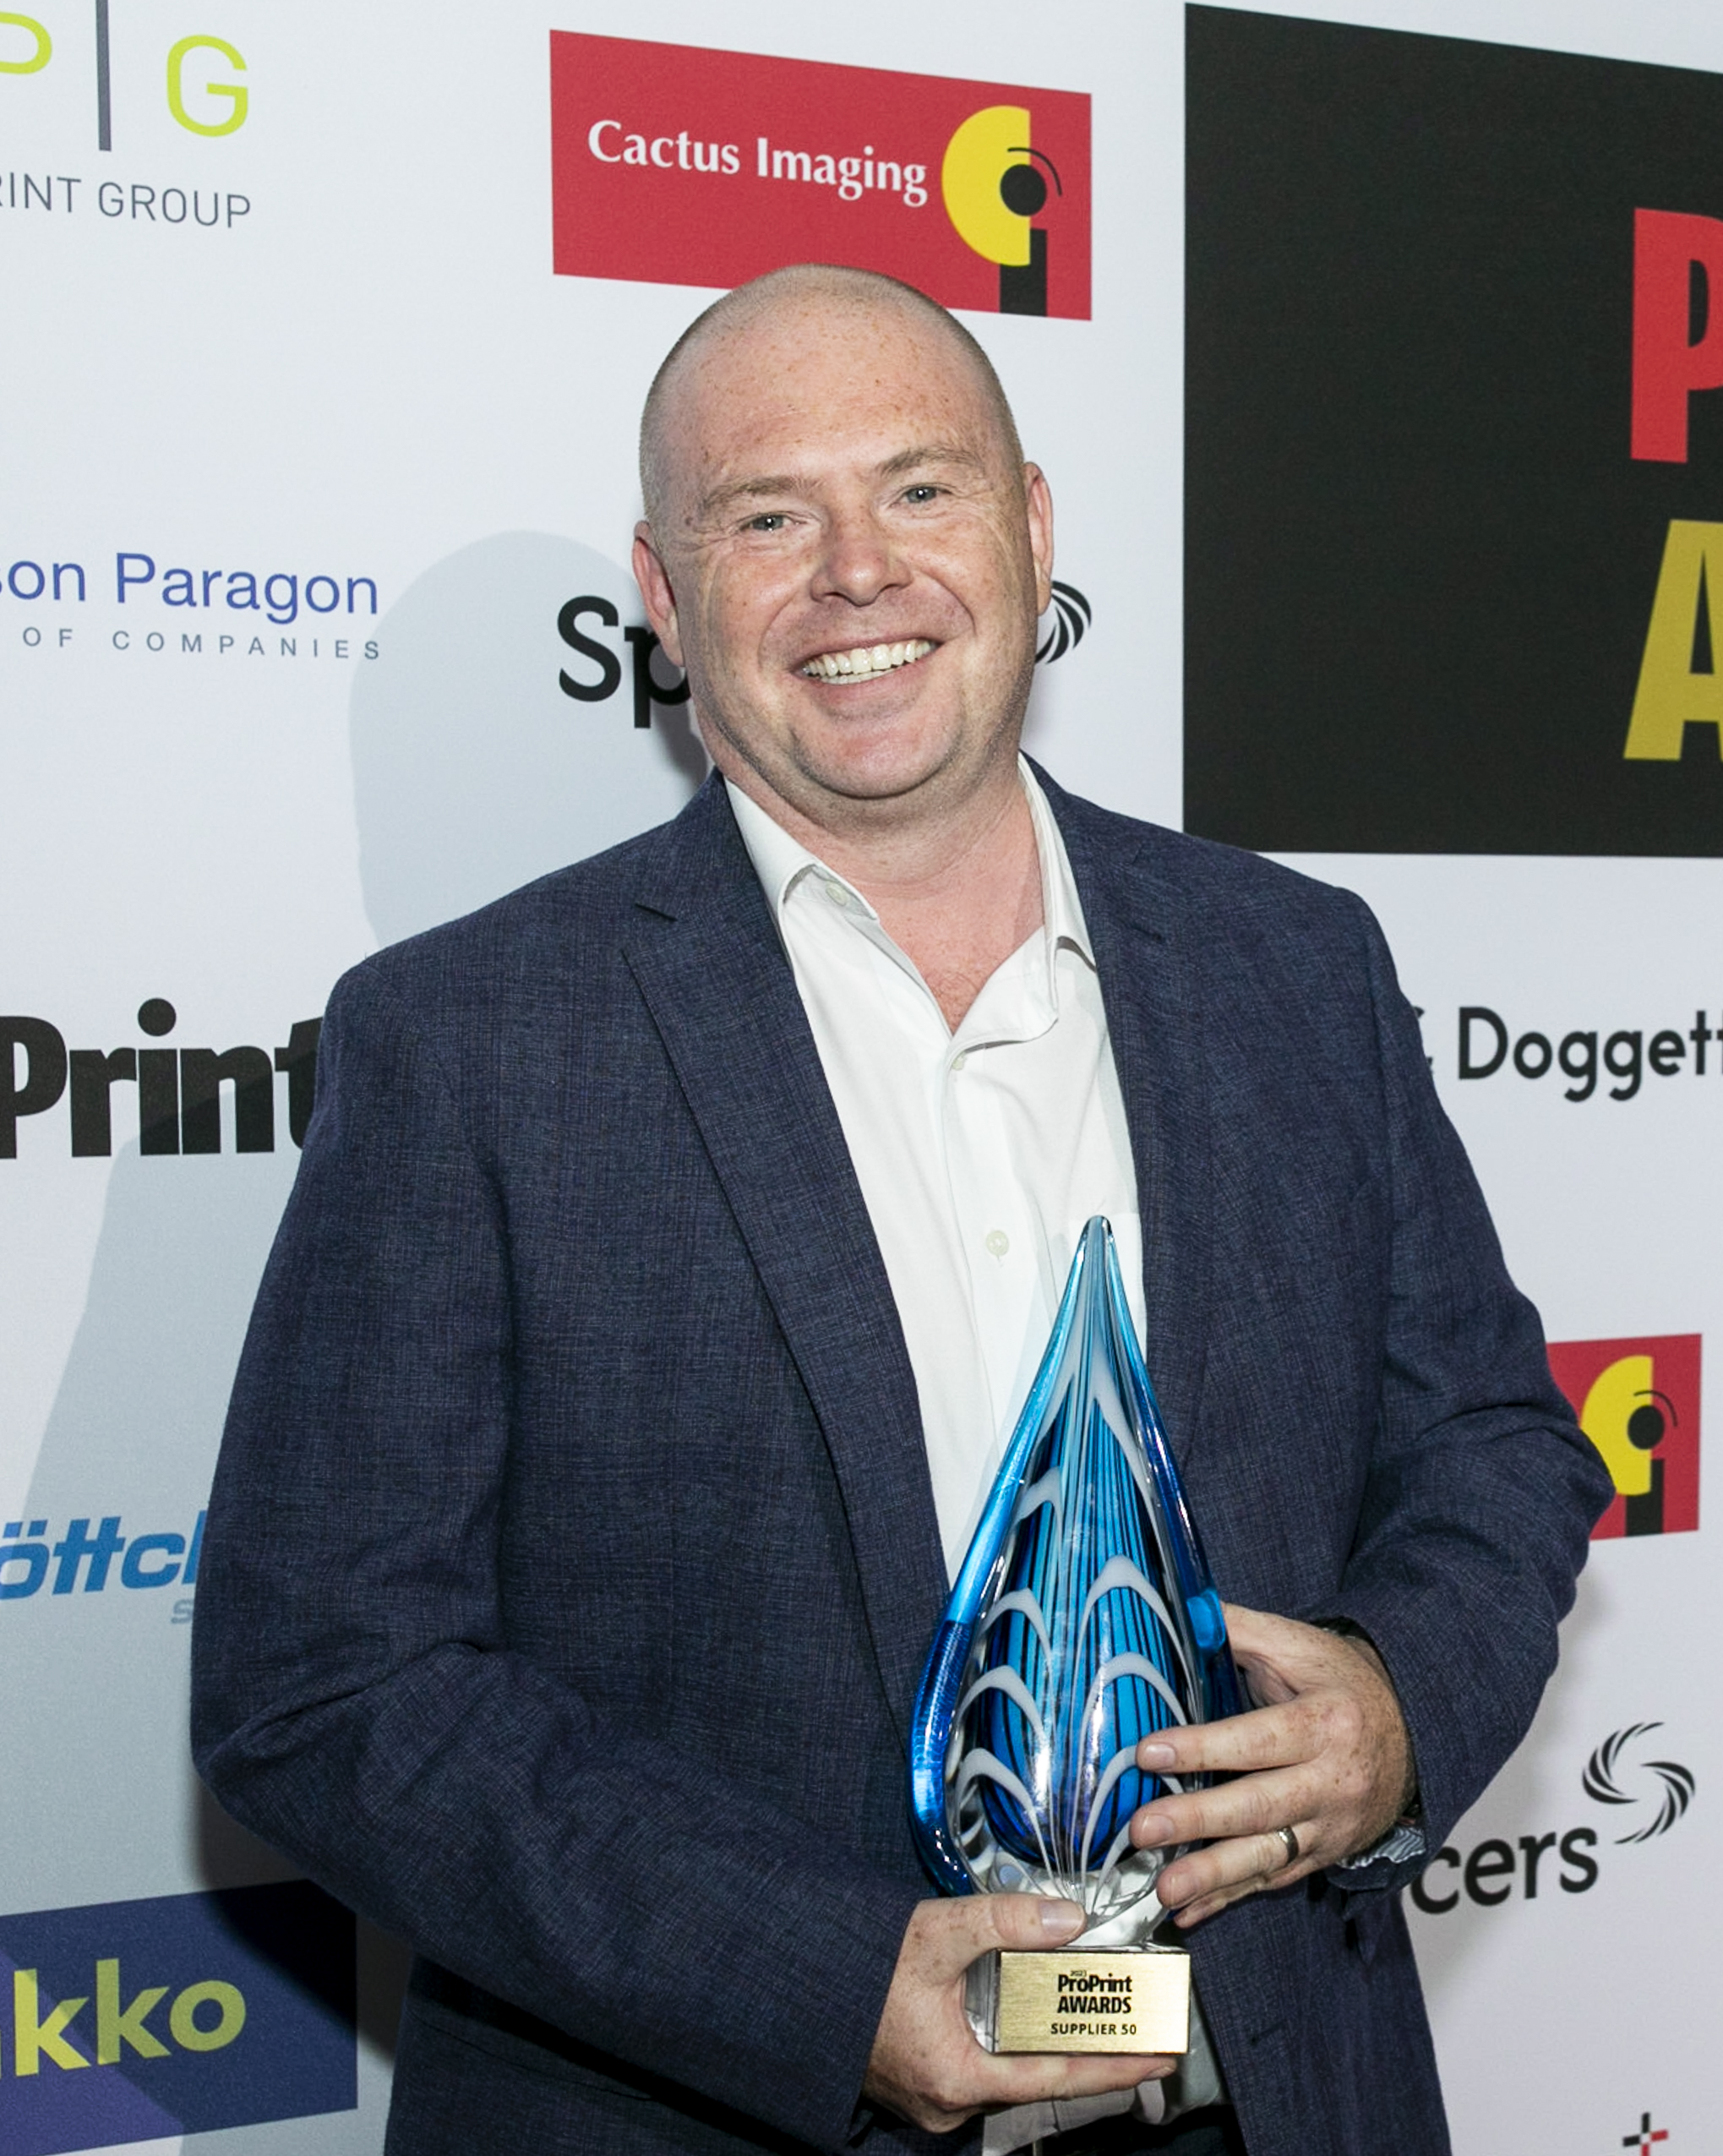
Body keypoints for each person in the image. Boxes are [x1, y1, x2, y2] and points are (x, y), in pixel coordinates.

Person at [192, 263, 1610, 2155]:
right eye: (768, 518)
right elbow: (324, 1681)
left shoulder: (1294, 963)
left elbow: (1496, 1445)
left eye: (920, 489)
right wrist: (817, 1980)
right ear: (665, 595)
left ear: (1032, 530)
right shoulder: (469, 1042)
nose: (859, 572)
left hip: (1271, 2100)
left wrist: (1398, 1706)